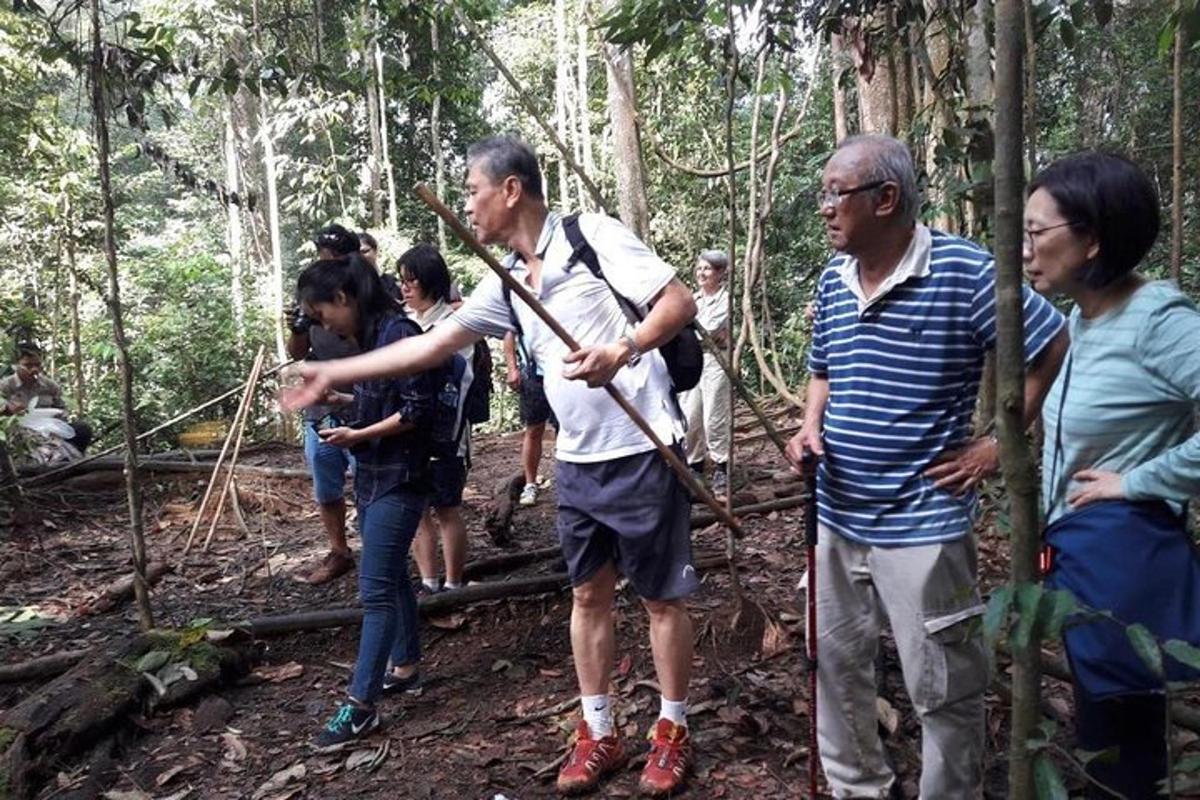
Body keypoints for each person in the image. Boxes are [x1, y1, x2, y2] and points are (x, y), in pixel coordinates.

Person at [283, 135, 700, 797]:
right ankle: (599, 730)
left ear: (510, 189)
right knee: (587, 595)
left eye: (472, 191)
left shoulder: (589, 236)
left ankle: (672, 730)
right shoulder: (504, 280)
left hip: (642, 448)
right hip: (580, 463)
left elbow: (678, 303)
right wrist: (332, 369)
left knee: (658, 599)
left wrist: (622, 349)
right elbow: (429, 349)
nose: (467, 207)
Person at [785, 134, 1068, 799]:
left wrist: (998, 444)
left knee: (944, 686)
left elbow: (1053, 338)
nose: (825, 208)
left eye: (836, 194)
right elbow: (820, 369)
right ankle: (860, 790)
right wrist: (808, 428)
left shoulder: (965, 272)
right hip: (835, 515)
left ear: (886, 199)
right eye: (823, 193)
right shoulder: (833, 280)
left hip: (924, 520)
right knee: (837, 670)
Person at [1027, 152, 1200, 799]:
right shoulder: (1081, 318)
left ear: (1093, 238)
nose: (1025, 250)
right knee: (1105, 732)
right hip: (1082, 561)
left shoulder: (1157, 319)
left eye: (1038, 233)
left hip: (1123, 565)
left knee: (1122, 743)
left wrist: (1138, 480)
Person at [298, 255, 438, 751]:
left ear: (342, 298)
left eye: (321, 314)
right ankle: (406, 666)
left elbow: (416, 411)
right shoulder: (374, 337)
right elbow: (385, 399)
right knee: (393, 577)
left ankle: (361, 707)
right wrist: (344, 408)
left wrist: (360, 433)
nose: (322, 325)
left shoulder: (399, 334)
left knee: (375, 590)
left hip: (402, 477)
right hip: (376, 474)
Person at [287, 225, 363, 584]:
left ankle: (378, 546)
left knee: (368, 478)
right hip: (321, 405)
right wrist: (298, 328)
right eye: (322, 254)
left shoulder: (366, 292)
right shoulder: (309, 294)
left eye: (333, 254)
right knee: (326, 482)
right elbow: (297, 353)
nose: (326, 260)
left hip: (362, 400)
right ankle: (339, 551)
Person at [398, 244, 473, 594]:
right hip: (408, 430)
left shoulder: (455, 325)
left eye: (411, 280)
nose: (405, 288)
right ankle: (429, 582)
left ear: (430, 281)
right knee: (418, 510)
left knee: (447, 507)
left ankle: (454, 582)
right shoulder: (403, 323)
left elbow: (460, 377)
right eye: (402, 281)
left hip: (447, 433)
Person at [679, 250, 731, 494]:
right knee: (690, 414)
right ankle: (695, 465)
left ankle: (722, 465)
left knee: (714, 414)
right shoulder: (692, 300)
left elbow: (709, 330)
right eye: (699, 268)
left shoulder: (726, 300)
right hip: (692, 360)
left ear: (720, 273)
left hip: (715, 361)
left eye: (708, 269)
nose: (701, 273)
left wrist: (691, 332)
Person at [0, 343, 92, 454]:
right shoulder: (5, 386)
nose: (34, 370)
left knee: (82, 429)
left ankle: (75, 464)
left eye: (37, 365)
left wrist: (59, 419)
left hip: (50, 430)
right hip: (18, 433)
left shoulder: (50, 386)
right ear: (16, 365)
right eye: (28, 365)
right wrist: (8, 410)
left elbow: (61, 409)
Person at [502, 329, 556, 506]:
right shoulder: (522, 303)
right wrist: (512, 368)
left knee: (567, 429)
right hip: (533, 373)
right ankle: (530, 483)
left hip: (563, 370)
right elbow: (509, 333)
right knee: (533, 429)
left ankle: (569, 482)